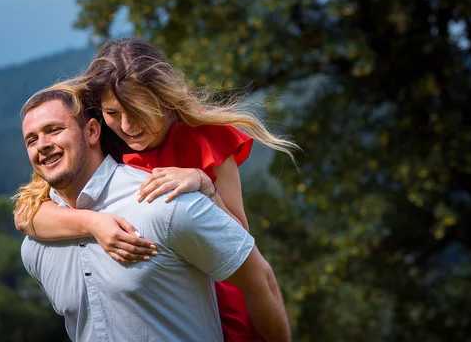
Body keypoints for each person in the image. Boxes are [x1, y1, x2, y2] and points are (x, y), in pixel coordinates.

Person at [15, 38, 299, 341]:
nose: (128, 125)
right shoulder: (105, 142)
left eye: (139, 108)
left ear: (162, 97)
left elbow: (238, 235)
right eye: (113, 113)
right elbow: (26, 217)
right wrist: (94, 224)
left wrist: (204, 184)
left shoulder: (203, 135)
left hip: (220, 292)